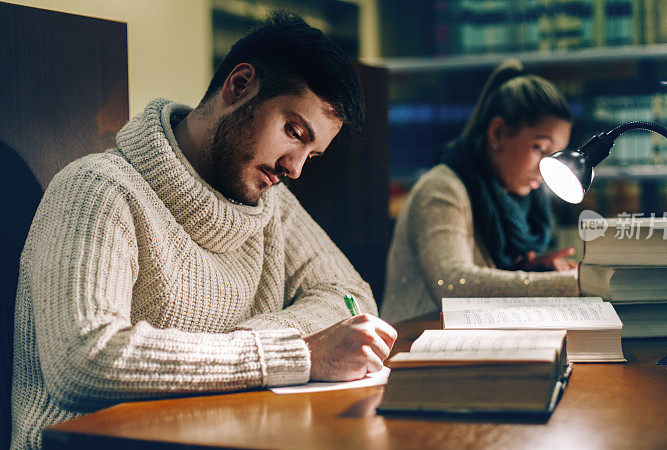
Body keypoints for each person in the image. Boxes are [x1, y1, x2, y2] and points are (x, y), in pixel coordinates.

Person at [11, 12, 396, 449]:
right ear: (239, 86)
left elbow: (352, 296)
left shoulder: (271, 204)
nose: (295, 167)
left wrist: (250, 348)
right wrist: (299, 354)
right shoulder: (98, 189)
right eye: (294, 131)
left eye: (313, 153)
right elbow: (84, 359)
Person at [381, 60, 580, 324]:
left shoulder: (514, 198)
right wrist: (567, 285)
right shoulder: (441, 189)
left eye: (555, 155)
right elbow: (452, 284)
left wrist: (530, 269)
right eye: (540, 149)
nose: (547, 169)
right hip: (413, 345)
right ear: (496, 133)